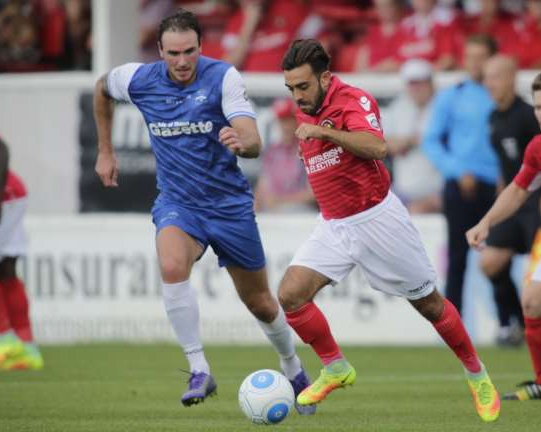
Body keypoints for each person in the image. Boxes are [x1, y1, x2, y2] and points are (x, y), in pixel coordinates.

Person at [92, 9, 314, 413]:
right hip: (179, 203)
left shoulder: (223, 77)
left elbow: (252, 138)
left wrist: (242, 141)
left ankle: (293, 367)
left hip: (229, 206)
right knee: (173, 266)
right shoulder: (138, 79)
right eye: (173, 53)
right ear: (159, 50)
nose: (181, 61)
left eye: (189, 51)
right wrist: (105, 150)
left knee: (261, 302)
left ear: (200, 47)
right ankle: (199, 368)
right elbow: (101, 88)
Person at [278, 38, 500, 422]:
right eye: (291, 89)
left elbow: (377, 148)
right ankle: (335, 367)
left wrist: (326, 134)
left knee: (429, 304)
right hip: (334, 224)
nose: (297, 96)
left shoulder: (353, 100)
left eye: (303, 86)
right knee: (291, 294)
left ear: (326, 77)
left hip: (377, 219)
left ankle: (477, 374)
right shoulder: (305, 109)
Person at [467, 70, 541, 401]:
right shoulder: (538, 148)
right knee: (532, 301)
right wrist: (486, 221)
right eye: (538, 107)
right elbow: (518, 191)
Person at [422, 33, 499, 317]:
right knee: (458, 258)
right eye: (470, 57)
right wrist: (457, 169)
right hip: (461, 185)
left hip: (500, 188)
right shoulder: (451, 96)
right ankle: (454, 324)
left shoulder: (502, 96)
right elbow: (430, 140)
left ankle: (509, 324)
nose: (475, 64)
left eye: (481, 58)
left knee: (501, 256)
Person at [480, 54, 541, 346]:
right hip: (513, 200)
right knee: (490, 262)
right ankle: (514, 324)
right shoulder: (493, 117)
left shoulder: (529, 115)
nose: (488, 84)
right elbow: (504, 165)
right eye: (486, 77)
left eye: (494, 77)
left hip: (538, 200)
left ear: (510, 78)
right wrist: (499, 198)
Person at [0, 134, 44, 371]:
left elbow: (0, 147)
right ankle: (26, 348)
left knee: (3, 270)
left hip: (4, 198)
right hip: (11, 195)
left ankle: (3, 341)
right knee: (5, 271)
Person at [383, 58, 442, 213]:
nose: (416, 88)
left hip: (437, 190)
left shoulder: (442, 106)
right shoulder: (399, 106)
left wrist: (406, 141)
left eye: (420, 83)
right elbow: (385, 144)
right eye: (412, 83)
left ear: (430, 83)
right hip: (403, 189)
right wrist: (411, 140)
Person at [253, 97, 316, 213]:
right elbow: (261, 188)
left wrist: (280, 201)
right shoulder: (271, 152)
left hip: (301, 212)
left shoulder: (308, 150)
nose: (286, 125)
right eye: (282, 120)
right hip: (272, 213)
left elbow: (312, 194)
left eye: (289, 120)